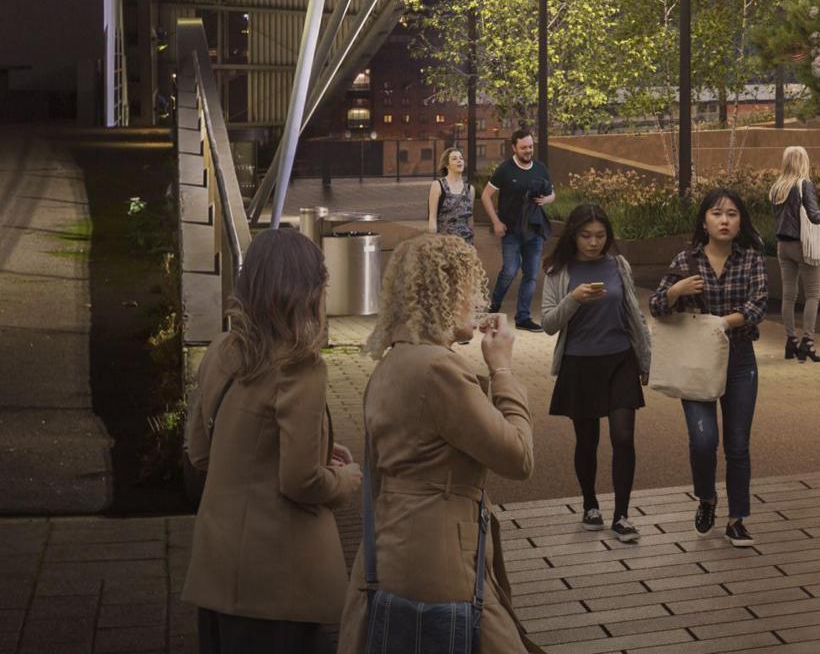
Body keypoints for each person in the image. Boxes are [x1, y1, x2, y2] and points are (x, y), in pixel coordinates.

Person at [338, 233, 534, 654]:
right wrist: (501, 371)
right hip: (442, 562)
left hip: (393, 551)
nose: (479, 299)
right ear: (443, 292)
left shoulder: (393, 363)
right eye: (470, 287)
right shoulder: (438, 369)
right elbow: (519, 457)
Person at [184, 226, 355, 654]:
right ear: (305, 291)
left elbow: (202, 453)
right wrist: (346, 480)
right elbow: (301, 482)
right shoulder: (301, 367)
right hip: (281, 582)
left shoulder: (221, 350)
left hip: (217, 568)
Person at [651, 186, 770, 543]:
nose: (724, 220)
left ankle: (737, 518)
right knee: (704, 440)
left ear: (740, 222)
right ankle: (706, 496)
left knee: (737, 444)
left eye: (732, 214)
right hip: (697, 361)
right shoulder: (686, 261)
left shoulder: (750, 259)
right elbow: (656, 307)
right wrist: (675, 292)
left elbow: (759, 305)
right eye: (717, 213)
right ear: (704, 220)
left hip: (739, 360)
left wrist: (724, 323)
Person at [536, 205, 644, 543]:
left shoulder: (619, 264)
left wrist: (645, 358)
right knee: (587, 441)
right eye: (586, 236)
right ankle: (590, 504)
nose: (594, 243)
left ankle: (623, 514)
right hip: (580, 362)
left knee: (623, 437)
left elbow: (633, 313)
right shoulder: (559, 270)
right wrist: (573, 299)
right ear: (573, 235)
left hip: (620, 359)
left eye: (600, 236)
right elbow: (548, 324)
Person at [478, 128, 553, 329]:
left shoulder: (540, 168)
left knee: (531, 275)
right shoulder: (505, 170)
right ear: (514, 148)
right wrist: (496, 222)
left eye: (530, 146)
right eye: (523, 147)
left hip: (534, 231)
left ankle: (523, 318)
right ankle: (493, 306)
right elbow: (485, 196)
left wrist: (547, 199)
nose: (528, 150)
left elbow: (552, 194)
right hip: (511, 231)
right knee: (510, 271)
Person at [768, 144, 820, 362]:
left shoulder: (777, 187)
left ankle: (790, 340)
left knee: (788, 295)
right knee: (813, 293)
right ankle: (808, 343)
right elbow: (813, 215)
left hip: (782, 246)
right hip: (803, 246)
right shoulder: (804, 184)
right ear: (804, 162)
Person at [428, 144, 477, 245]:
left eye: (461, 158)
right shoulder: (438, 185)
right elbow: (432, 217)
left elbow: (470, 219)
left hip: (465, 243)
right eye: (454, 159)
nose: (459, 161)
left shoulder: (470, 189)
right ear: (447, 164)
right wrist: (433, 242)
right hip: (445, 242)